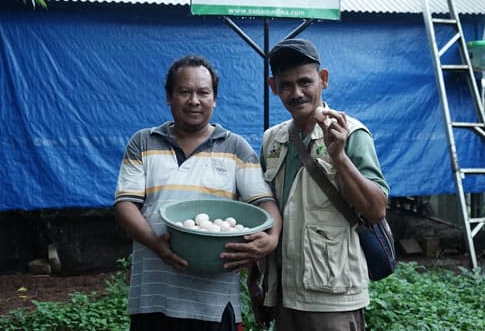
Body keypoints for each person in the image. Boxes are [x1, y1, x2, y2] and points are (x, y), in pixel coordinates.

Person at [114, 54, 282, 331]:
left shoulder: (236, 148)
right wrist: (157, 245)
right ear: (169, 96)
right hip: (154, 299)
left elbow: (264, 202)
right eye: (184, 92)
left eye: (204, 92)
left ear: (214, 99)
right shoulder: (143, 142)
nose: (194, 100)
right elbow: (124, 205)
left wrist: (271, 238)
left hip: (214, 304)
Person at [251, 38, 389, 331]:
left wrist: (339, 157)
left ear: (323, 80)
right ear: (273, 87)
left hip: (332, 296)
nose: (296, 93)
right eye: (286, 85)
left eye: (305, 82)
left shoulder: (351, 133)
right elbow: (261, 213)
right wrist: (257, 282)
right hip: (283, 293)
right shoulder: (271, 140)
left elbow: (377, 209)